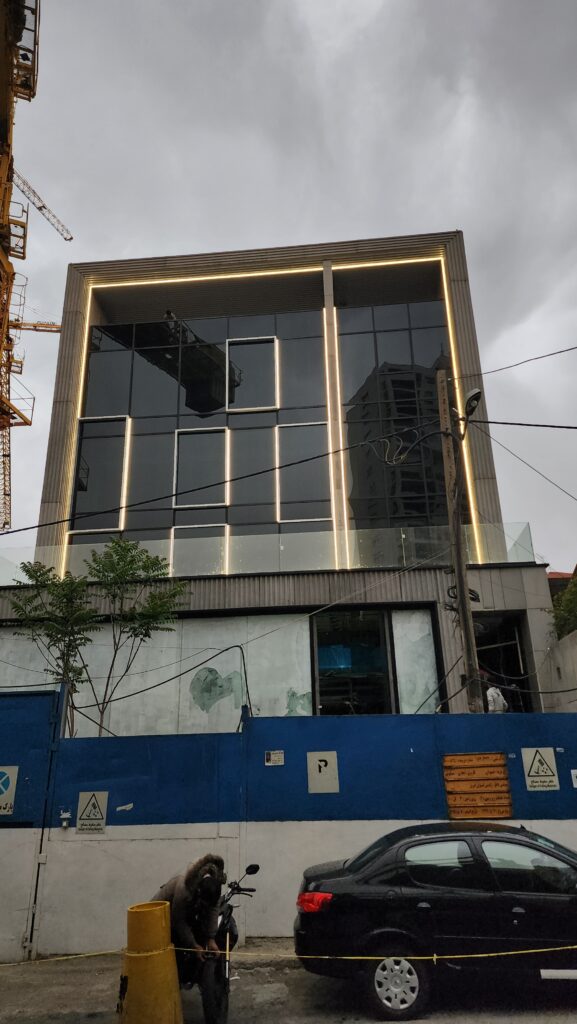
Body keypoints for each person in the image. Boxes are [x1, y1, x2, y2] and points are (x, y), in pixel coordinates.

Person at [152, 854, 225, 984]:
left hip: (186, 908)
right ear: (198, 891)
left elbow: (213, 909)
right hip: (160, 915)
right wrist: (193, 945)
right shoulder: (184, 888)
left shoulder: (214, 886)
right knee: (174, 950)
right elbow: (179, 921)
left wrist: (211, 938)